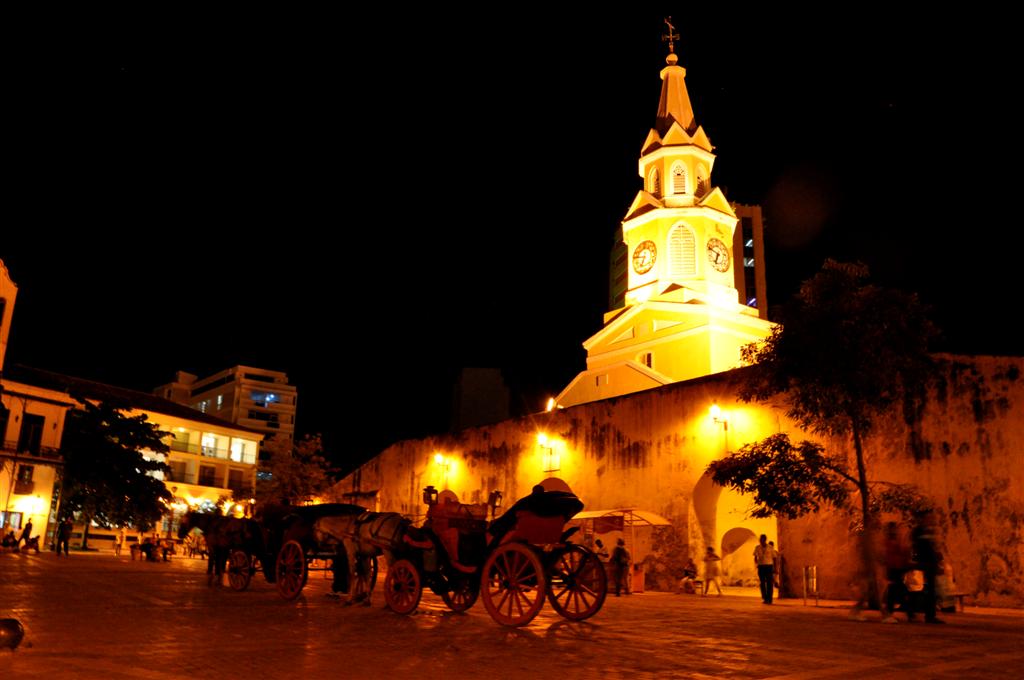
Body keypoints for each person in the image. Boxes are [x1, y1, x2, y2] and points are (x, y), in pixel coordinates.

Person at [754, 534, 775, 604]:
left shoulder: (770, 547)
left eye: (762, 539)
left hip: (769, 566)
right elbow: (755, 556)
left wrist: (774, 567)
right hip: (761, 566)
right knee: (762, 583)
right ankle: (765, 597)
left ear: (765, 539)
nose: (761, 541)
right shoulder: (757, 547)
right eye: (760, 540)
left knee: (769, 583)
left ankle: (770, 598)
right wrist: (756, 562)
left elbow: (774, 557)